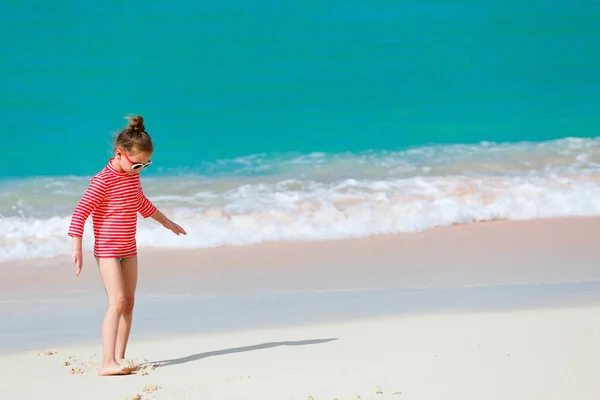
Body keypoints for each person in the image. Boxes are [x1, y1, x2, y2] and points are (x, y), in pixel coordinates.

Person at [68, 115, 186, 376]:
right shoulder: (102, 181)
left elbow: (141, 203)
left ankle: (120, 358)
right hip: (108, 250)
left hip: (128, 248)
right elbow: (80, 213)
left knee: (130, 302)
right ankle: (106, 362)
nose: (141, 169)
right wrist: (77, 247)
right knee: (117, 301)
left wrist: (167, 222)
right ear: (120, 154)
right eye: (137, 165)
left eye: (146, 164)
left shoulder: (132, 177)